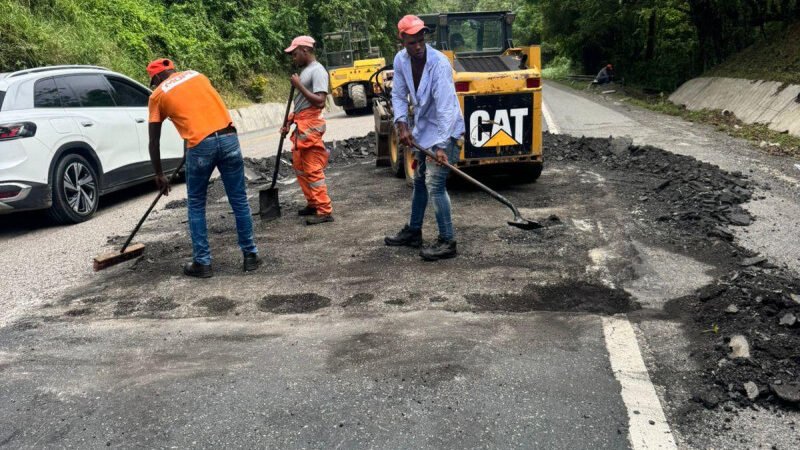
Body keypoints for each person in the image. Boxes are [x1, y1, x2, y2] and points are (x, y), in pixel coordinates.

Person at [147, 58, 261, 278]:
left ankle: (203, 263)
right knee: (238, 200)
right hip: (228, 138)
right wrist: (186, 149)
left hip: (200, 147)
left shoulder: (158, 94)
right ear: (173, 70)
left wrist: (159, 174)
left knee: (197, 204)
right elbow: (196, 111)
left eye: (154, 81)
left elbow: (154, 141)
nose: (155, 85)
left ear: (157, 77)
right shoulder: (196, 74)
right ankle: (250, 256)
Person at [384, 15, 466, 261]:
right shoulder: (400, 60)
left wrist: (441, 146)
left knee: (435, 184)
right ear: (402, 42)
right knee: (419, 181)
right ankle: (414, 231)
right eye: (412, 43)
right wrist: (402, 125)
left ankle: (447, 241)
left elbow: (445, 109)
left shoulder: (439, 64)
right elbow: (398, 95)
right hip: (423, 130)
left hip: (446, 130)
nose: (418, 46)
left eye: (421, 40)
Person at [281, 36, 334, 225]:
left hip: (310, 126)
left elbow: (319, 101)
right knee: (300, 166)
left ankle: (324, 210)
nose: (293, 58)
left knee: (312, 168)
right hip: (302, 123)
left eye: (295, 54)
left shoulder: (318, 71)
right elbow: (302, 105)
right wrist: (289, 122)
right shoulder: (305, 71)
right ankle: (312, 203)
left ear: (305, 50)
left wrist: (299, 86)